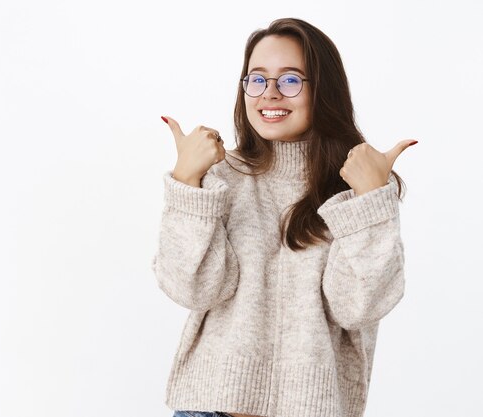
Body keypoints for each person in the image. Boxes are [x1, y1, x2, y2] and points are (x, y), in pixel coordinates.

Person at [151, 17, 416, 417]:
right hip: (207, 409)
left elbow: (357, 307)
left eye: (290, 80)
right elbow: (192, 290)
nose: (269, 94)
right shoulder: (221, 176)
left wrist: (370, 199)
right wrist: (188, 181)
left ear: (323, 90)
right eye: (256, 80)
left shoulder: (358, 187)